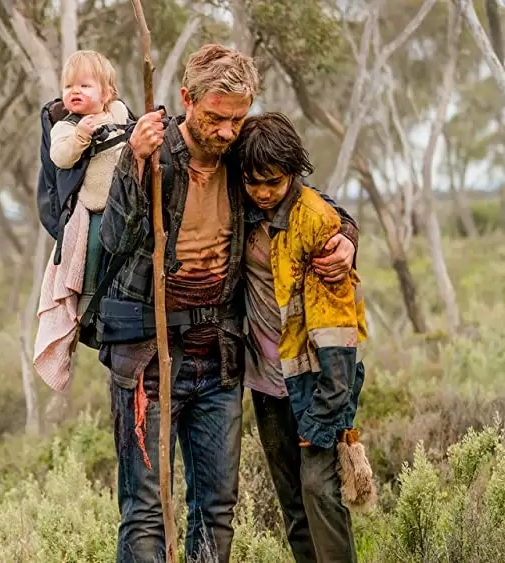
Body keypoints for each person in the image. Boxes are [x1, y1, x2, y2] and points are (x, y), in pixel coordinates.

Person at [98, 44, 360, 563]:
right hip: (147, 358)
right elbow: (113, 237)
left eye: (237, 119)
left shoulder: (239, 154)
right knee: (146, 511)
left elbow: (305, 201)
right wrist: (135, 159)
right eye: (216, 118)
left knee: (216, 509)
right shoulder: (153, 152)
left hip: (218, 361)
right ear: (186, 99)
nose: (226, 131)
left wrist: (348, 235)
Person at [233, 112, 376, 563]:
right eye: (253, 182)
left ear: (293, 171)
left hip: (317, 380)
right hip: (266, 380)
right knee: (292, 500)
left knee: (320, 491)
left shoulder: (316, 221)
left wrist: (328, 409)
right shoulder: (240, 207)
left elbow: (338, 332)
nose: (262, 192)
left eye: (272, 182)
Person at [33, 50, 131, 390]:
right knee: (91, 252)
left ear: (106, 93)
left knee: (126, 257)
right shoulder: (67, 126)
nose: (75, 91)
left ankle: (126, 304)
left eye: (85, 85)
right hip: (91, 208)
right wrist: (80, 137)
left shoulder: (117, 112)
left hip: (124, 206)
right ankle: (88, 307)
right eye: (69, 85)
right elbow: (60, 157)